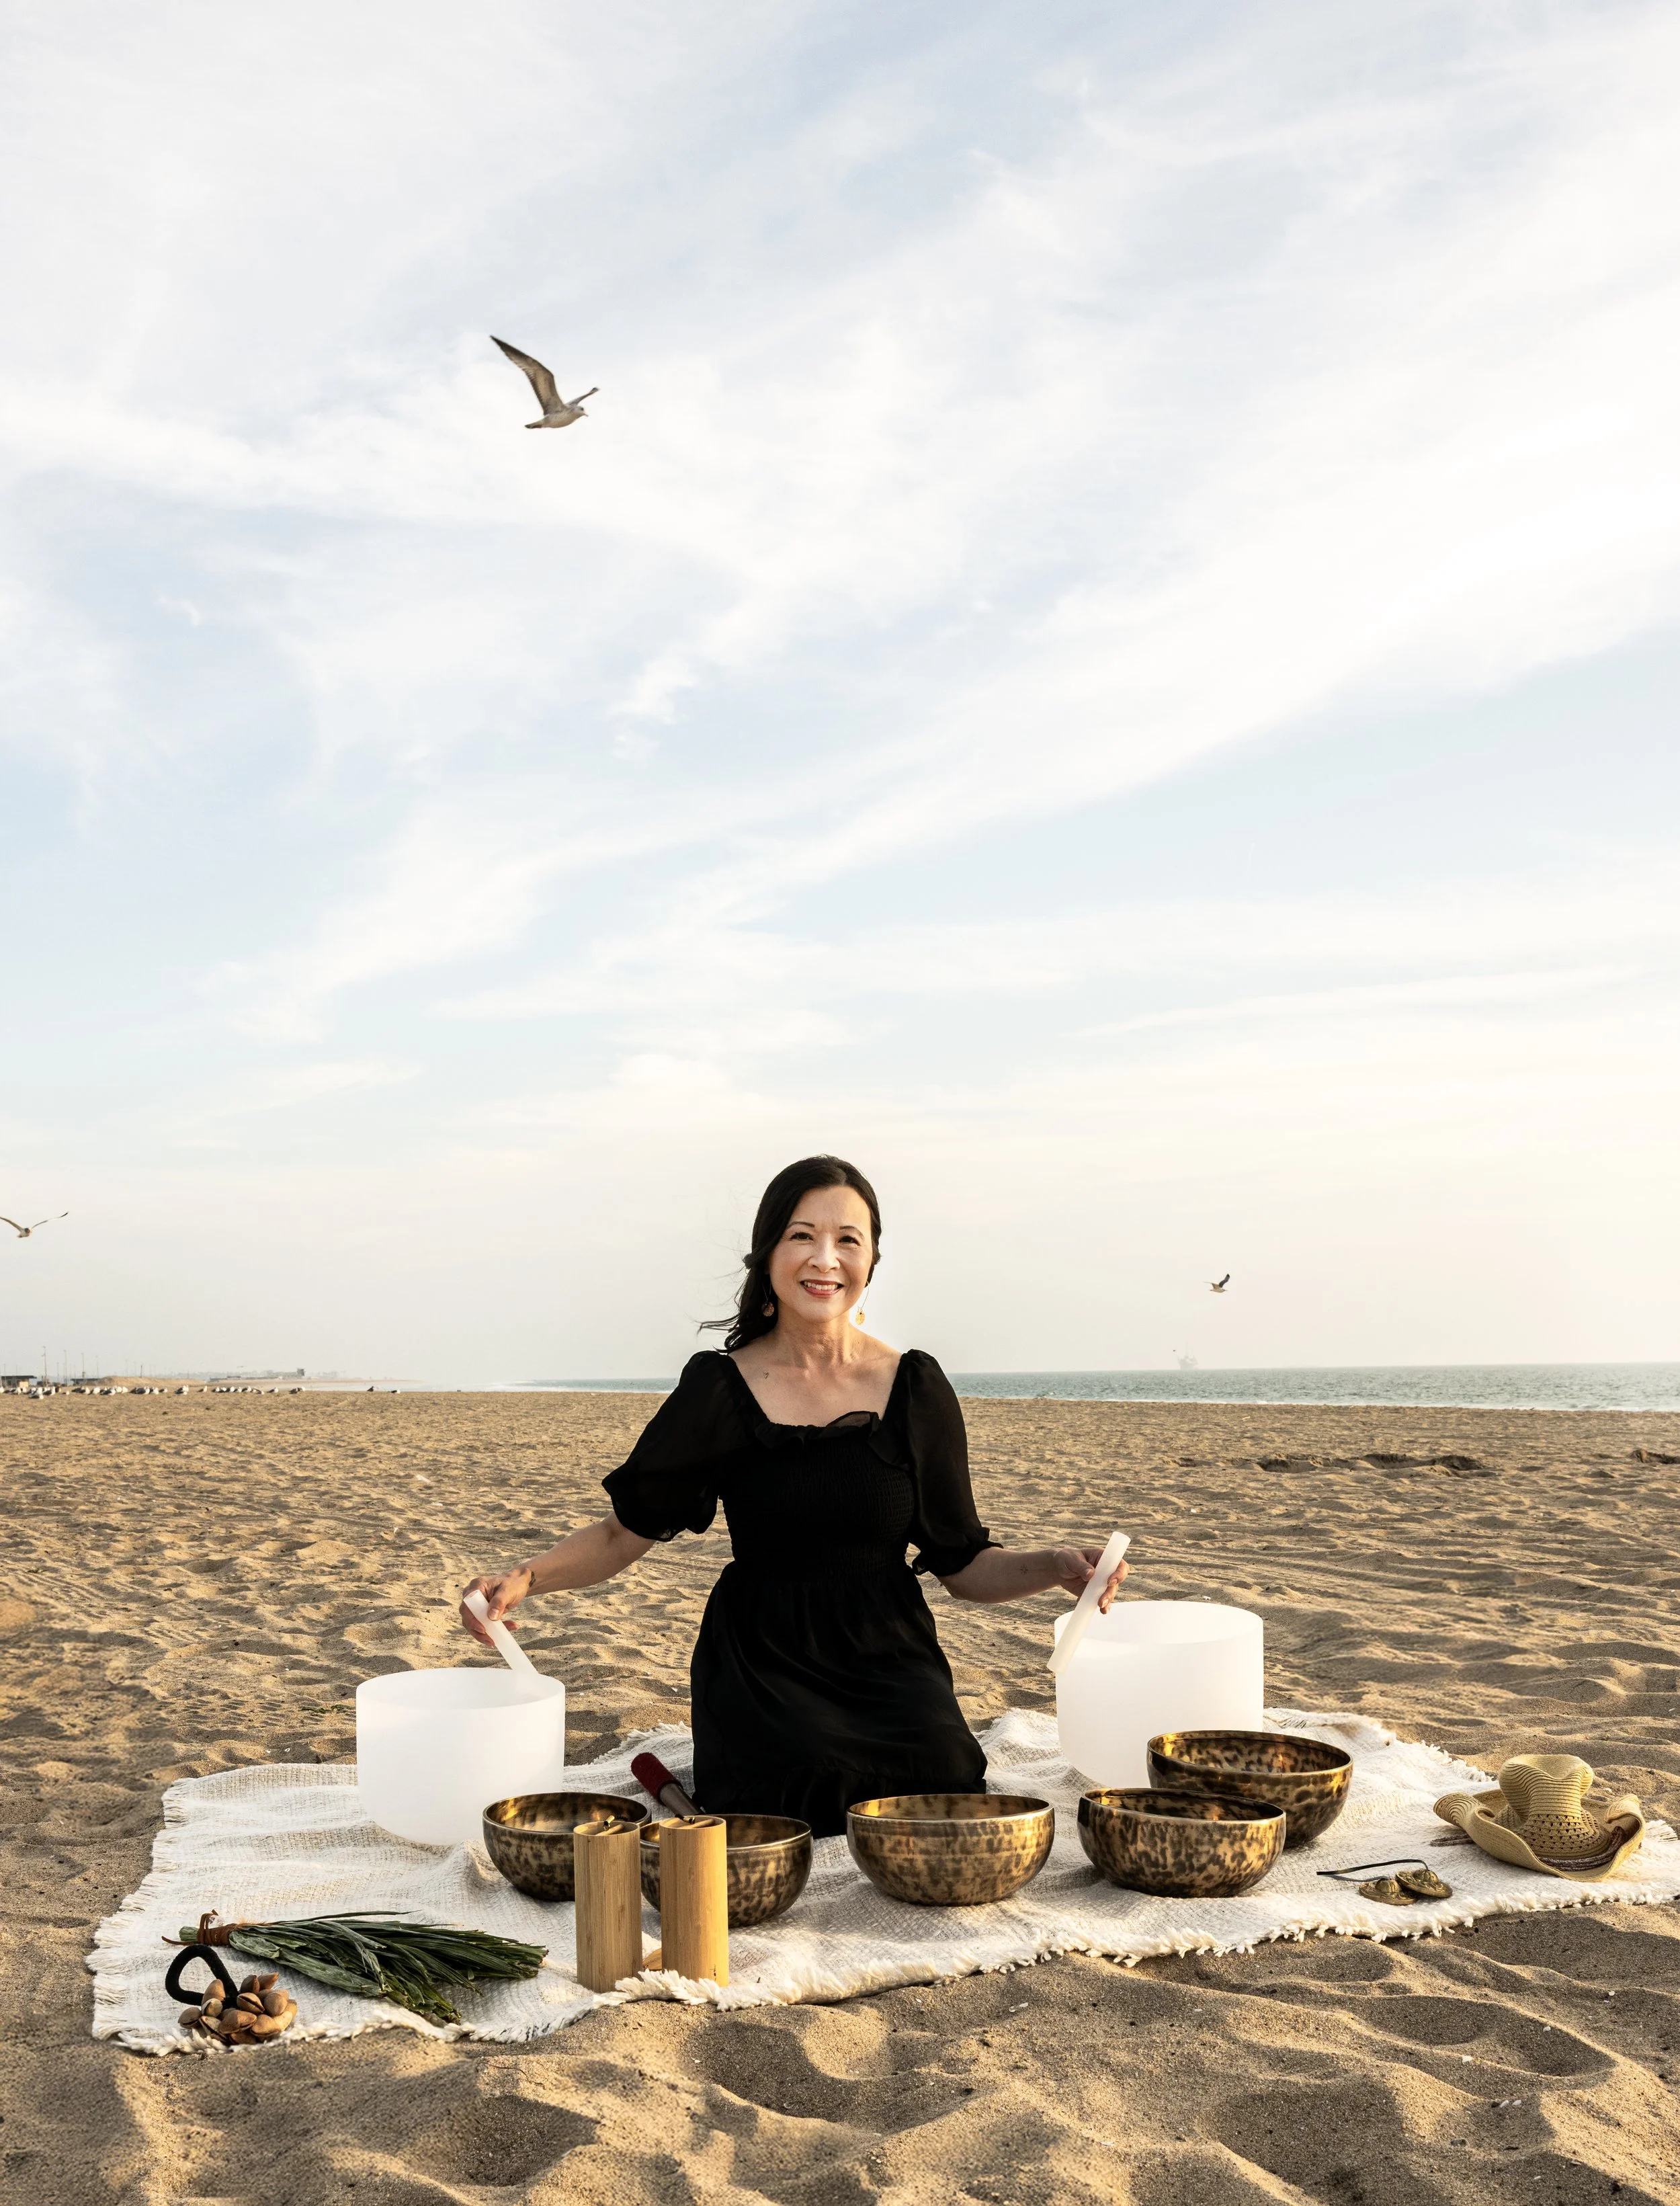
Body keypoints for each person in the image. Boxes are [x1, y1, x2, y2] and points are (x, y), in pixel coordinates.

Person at [460, 1155, 1128, 1836]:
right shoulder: (717, 1389)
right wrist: (527, 1579)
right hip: (762, 1659)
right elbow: (621, 1534)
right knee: (798, 1795)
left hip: (888, 1653)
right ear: (769, 1252)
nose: (825, 1259)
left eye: (848, 1240)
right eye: (802, 1235)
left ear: (870, 1260)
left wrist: (1056, 1567)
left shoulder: (915, 1387)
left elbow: (962, 1563)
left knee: (939, 1783)